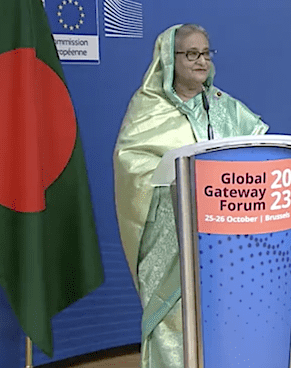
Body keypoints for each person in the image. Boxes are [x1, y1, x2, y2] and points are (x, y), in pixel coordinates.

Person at [113, 24, 268, 368]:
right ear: (170, 59)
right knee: (175, 320)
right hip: (170, 235)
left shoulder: (223, 106)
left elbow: (260, 148)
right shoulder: (148, 108)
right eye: (192, 54)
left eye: (206, 53)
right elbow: (131, 165)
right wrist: (171, 180)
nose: (201, 61)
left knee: (224, 315)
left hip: (223, 234)